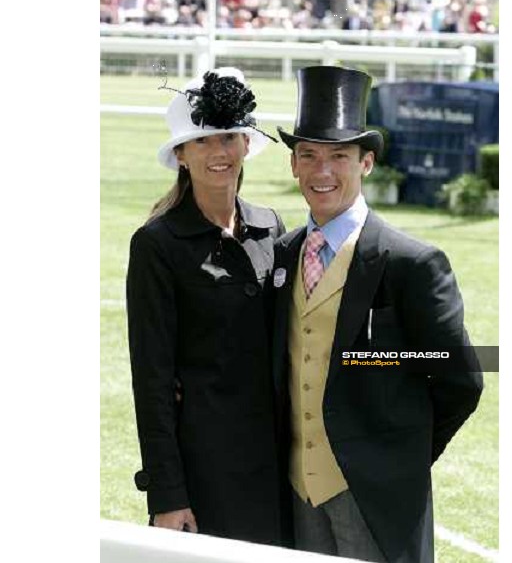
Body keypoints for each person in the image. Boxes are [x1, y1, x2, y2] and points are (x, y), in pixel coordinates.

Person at [269, 66, 484, 563]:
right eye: (309, 155)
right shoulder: (282, 255)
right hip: (298, 491)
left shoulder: (413, 263)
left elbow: (463, 380)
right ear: (294, 166)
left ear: (366, 163)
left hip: (377, 497)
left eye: (339, 156)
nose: (322, 171)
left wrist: (396, 456)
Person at [126, 67, 287, 546]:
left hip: (278, 463)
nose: (219, 152)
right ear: (181, 155)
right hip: (206, 471)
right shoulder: (157, 245)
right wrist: (168, 496)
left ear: (245, 145)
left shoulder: (271, 226)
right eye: (203, 141)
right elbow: (151, 381)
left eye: (229, 138)